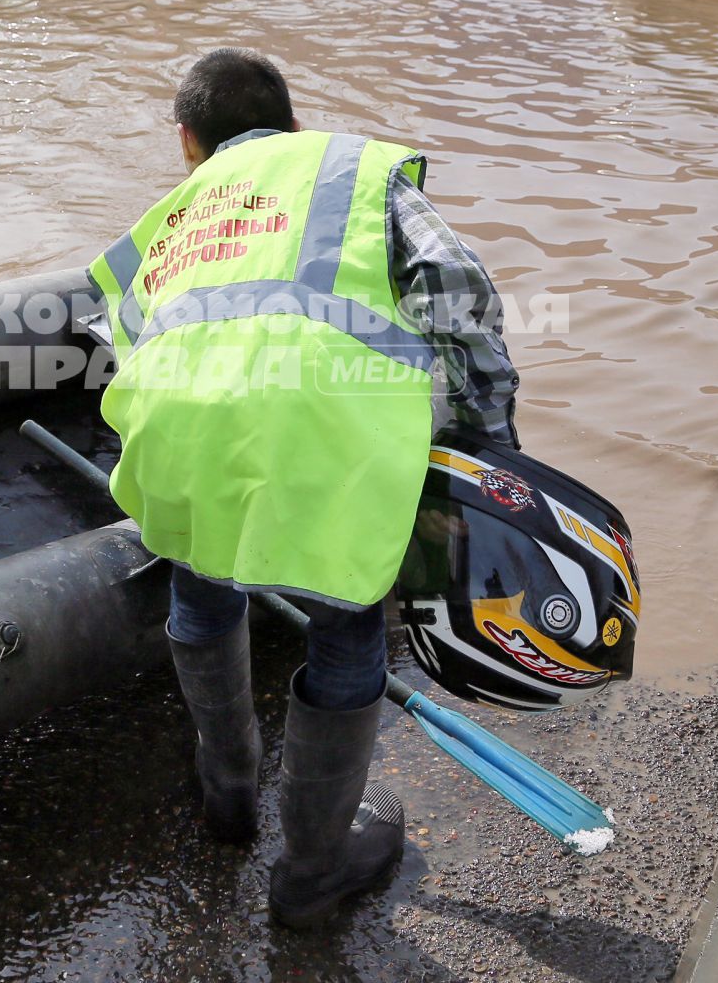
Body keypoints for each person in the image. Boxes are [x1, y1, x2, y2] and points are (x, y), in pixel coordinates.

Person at [87, 49, 519, 929]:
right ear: (292, 121)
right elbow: (459, 291)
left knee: (201, 585)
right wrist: (488, 447)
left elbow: (120, 334)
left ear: (186, 143)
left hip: (181, 432)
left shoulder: (170, 213)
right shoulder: (347, 170)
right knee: (346, 620)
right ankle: (314, 873)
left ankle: (228, 798)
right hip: (328, 434)